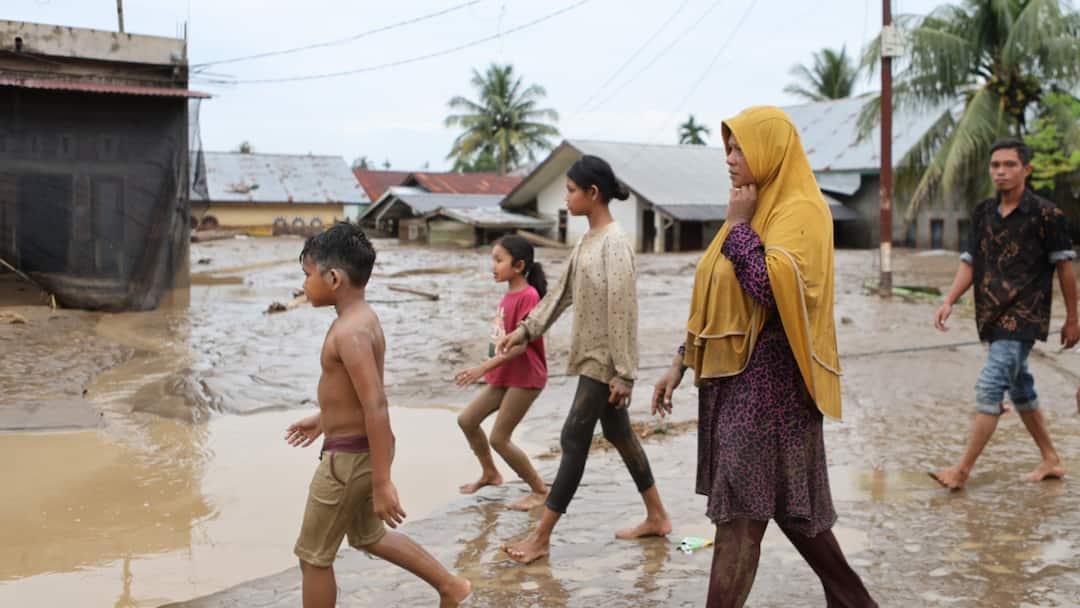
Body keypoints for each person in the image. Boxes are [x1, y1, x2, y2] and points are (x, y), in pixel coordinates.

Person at [652, 106, 876, 607]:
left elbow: (770, 289)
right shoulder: (753, 210)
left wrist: (737, 228)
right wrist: (680, 362)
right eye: (727, 149)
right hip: (738, 383)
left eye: (740, 148)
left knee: (739, 518)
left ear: (770, 151)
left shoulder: (801, 211)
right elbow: (717, 297)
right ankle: (854, 601)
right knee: (788, 510)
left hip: (775, 389)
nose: (730, 159)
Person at [284, 222, 471, 608]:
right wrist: (322, 421)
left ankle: (451, 586)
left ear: (333, 278)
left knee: (313, 557)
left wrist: (384, 482)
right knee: (370, 536)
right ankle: (451, 586)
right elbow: (357, 396)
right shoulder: (361, 319)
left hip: (348, 461)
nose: (304, 285)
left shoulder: (349, 333)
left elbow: (376, 404)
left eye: (307, 275)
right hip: (359, 453)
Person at [497, 155, 672, 564]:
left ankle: (541, 538)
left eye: (572, 190)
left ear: (593, 194)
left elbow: (623, 310)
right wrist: (524, 331)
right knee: (619, 433)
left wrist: (625, 373)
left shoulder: (615, 244)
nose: (566, 196)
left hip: (604, 363)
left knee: (573, 438)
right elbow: (560, 294)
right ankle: (658, 515)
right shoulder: (586, 242)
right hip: (593, 358)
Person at [931, 138, 1078, 490]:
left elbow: (1065, 270)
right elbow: (971, 262)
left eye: (1009, 165)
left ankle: (961, 471)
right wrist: (949, 299)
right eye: (995, 165)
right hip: (992, 317)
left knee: (989, 388)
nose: (1001, 171)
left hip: (1025, 318)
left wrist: (1073, 317)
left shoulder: (1047, 215)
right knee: (1020, 388)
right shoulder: (983, 212)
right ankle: (1051, 459)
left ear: (1026, 170)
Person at [454, 234, 551, 511]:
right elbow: (500, 340)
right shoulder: (508, 295)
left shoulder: (529, 296)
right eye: (492, 260)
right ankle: (490, 473)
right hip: (504, 375)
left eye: (499, 260)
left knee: (499, 438)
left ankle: (540, 490)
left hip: (526, 377)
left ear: (519, 265)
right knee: (467, 420)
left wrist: (481, 369)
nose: (493, 266)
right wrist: (485, 366)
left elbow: (520, 346)